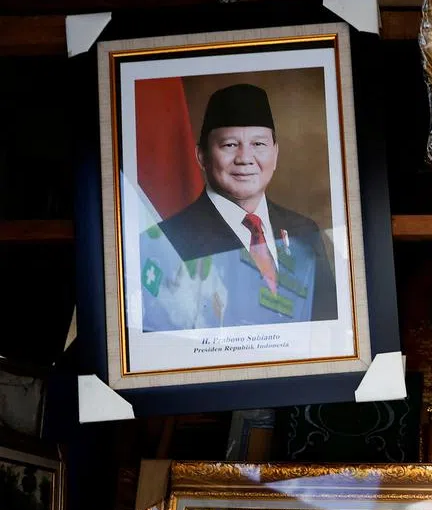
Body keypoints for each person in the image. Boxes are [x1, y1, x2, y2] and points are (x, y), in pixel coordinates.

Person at [138, 83, 337, 332]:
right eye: (230, 145)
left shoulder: (304, 232)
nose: (245, 158)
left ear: (275, 154)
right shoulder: (165, 243)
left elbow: (330, 331)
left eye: (259, 144)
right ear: (201, 156)